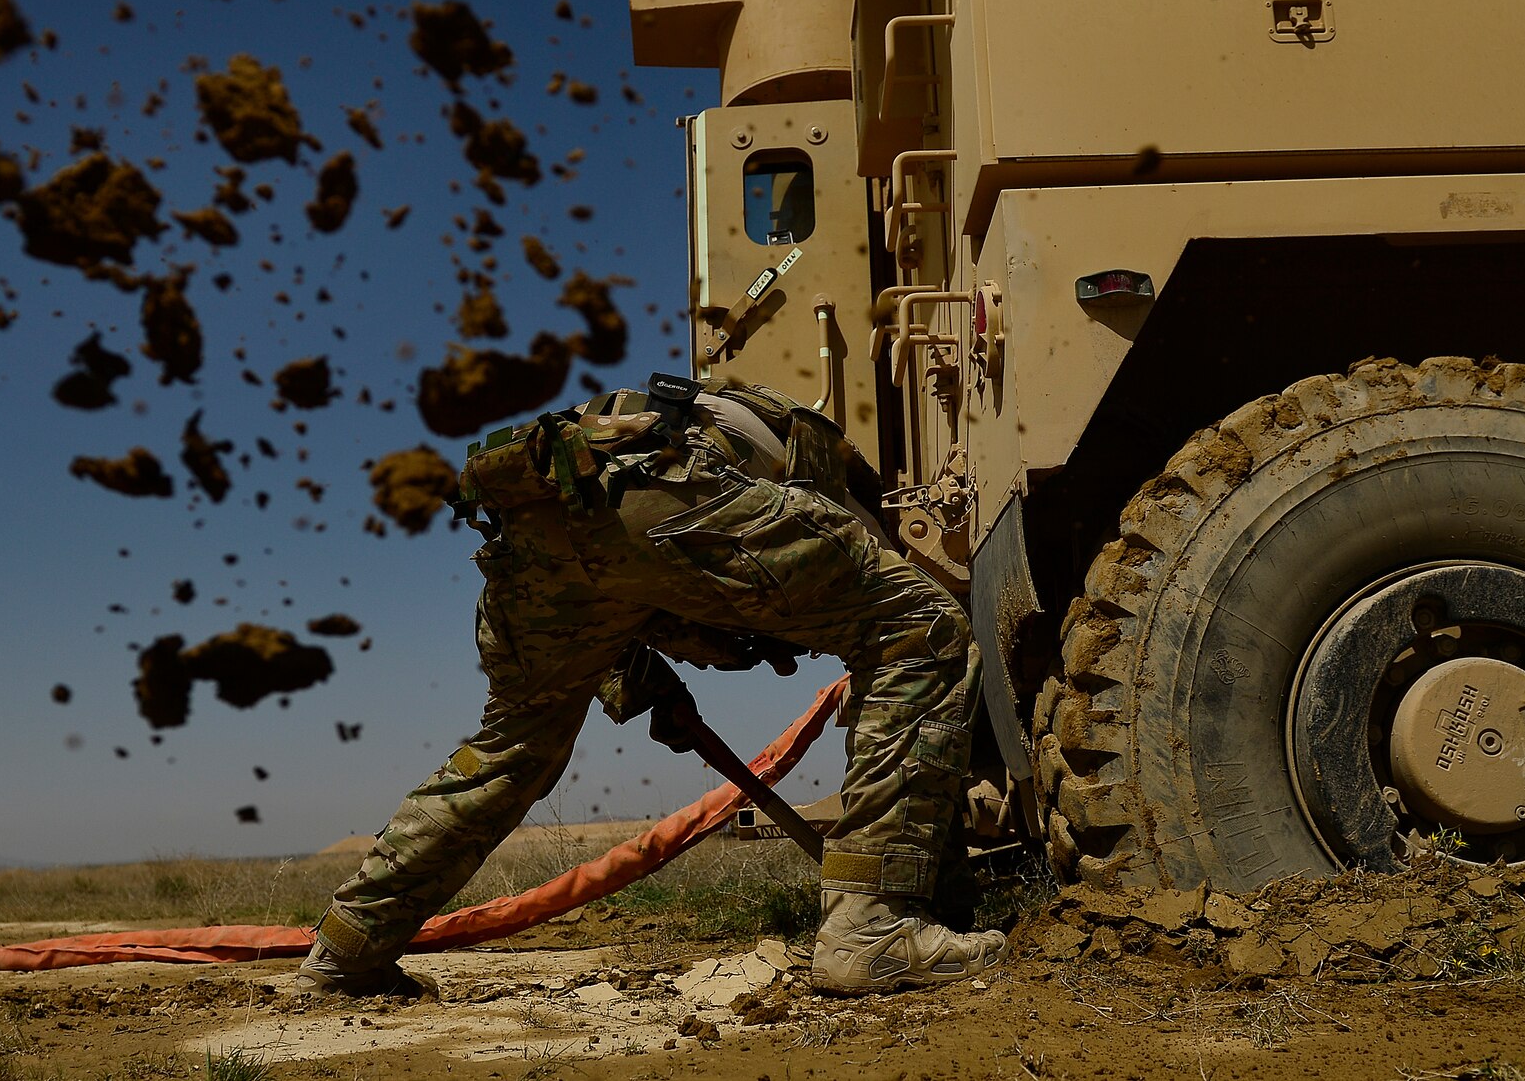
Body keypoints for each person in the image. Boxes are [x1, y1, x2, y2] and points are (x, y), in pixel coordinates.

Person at [299, 374, 1006, 996]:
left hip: (541, 516)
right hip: (660, 485)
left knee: (515, 747)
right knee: (926, 628)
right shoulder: (846, 483)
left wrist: (644, 684)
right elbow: (871, 632)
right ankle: (871, 927)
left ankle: (349, 948)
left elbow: (618, 584)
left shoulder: (715, 421)